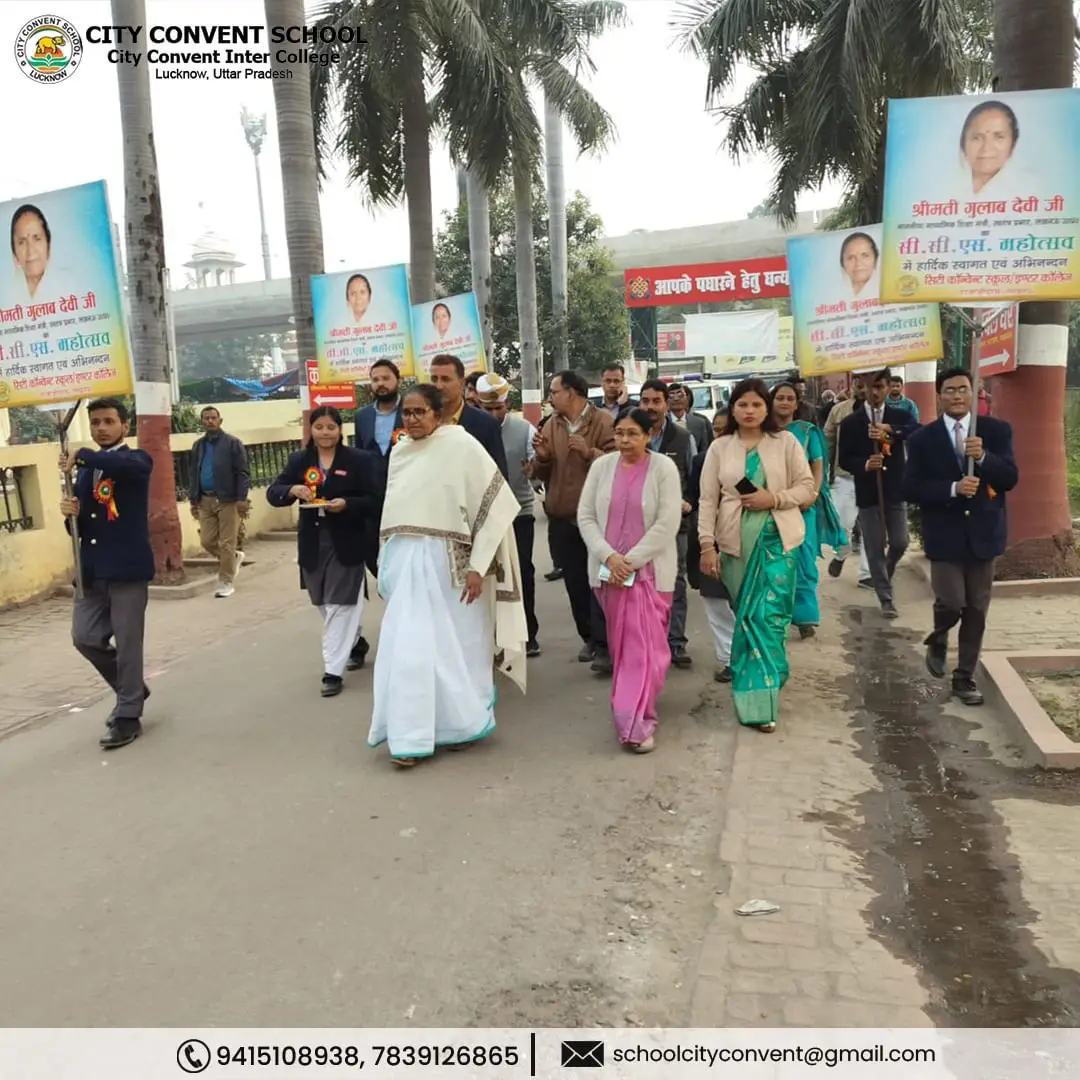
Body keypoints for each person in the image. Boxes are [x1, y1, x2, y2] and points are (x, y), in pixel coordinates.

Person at [369, 384, 527, 767]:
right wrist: (386, 563)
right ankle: (409, 736)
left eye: (420, 412)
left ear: (438, 414)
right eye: (407, 413)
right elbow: (393, 515)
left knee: (457, 648)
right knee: (407, 648)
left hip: (452, 567)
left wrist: (478, 567)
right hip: (407, 565)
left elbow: (495, 505)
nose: (412, 419)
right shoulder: (400, 452)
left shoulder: (462, 445)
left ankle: (460, 725)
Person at [697, 379, 814, 731]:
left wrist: (772, 499)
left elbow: (807, 488)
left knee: (768, 617)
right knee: (746, 618)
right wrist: (707, 546)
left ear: (767, 409)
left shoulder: (786, 442)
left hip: (778, 541)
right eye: (743, 404)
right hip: (735, 545)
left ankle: (764, 697)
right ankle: (758, 685)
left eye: (756, 405)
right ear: (733, 409)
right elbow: (708, 500)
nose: (749, 411)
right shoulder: (720, 448)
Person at [904, 367, 1018, 706]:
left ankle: (964, 676)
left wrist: (982, 457)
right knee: (952, 601)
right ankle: (940, 634)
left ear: (973, 393)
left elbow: (1010, 477)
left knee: (977, 610)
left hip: (984, 532)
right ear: (939, 396)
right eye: (950, 390)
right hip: (944, 535)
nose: (956, 396)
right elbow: (910, 488)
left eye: (963, 389)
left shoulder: (995, 431)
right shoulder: (922, 439)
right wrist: (952, 488)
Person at [578, 408, 682, 753]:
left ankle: (636, 717)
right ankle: (633, 714)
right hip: (609, 574)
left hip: (650, 574)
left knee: (648, 649)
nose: (624, 440)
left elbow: (667, 522)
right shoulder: (601, 467)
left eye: (633, 434)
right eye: (619, 433)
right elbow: (586, 516)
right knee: (627, 649)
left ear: (649, 436)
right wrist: (609, 556)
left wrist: (631, 561)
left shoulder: (663, 468)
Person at [266, 406, 382, 698]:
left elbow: (374, 500)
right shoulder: (299, 460)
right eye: (319, 427)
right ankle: (355, 642)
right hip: (313, 542)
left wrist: (347, 504)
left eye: (331, 427)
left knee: (340, 604)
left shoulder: (358, 460)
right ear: (312, 430)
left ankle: (332, 671)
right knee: (322, 600)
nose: (325, 433)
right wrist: (292, 490)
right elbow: (274, 493)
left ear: (340, 430)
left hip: (347, 541)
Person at [58, 398, 154, 750]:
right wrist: (71, 514)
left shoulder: (136, 461)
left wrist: (83, 454)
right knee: (84, 637)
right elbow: (85, 527)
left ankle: (128, 714)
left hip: (127, 570)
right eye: (95, 422)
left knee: (128, 645)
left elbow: (118, 465)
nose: (101, 428)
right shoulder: (86, 472)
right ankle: (133, 688)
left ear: (124, 426)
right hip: (92, 571)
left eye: (108, 421)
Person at [530, 369, 616, 672]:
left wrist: (590, 452)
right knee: (576, 583)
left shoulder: (603, 421)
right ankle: (590, 638)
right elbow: (542, 474)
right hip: (562, 516)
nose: (550, 397)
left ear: (572, 392)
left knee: (602, 582)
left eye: (554, 391)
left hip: (597, 519)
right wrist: (542, 458)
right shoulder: (551, 425)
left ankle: (607, 643)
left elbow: (618, 463)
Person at [838, 367, 919, 618]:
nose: (874, 392)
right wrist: (865, 464)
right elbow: (844, 458)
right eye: (870, 386)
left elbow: (917, 430)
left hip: (894, 488)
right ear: (862, 388)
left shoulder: (900, 414)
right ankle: (886, 598)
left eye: (879, 386)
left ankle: (885, 570)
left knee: (900, 542)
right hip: (868, 492)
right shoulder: (851, 422)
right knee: (874, 547)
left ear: (887, 387)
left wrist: (890, 429)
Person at [770, 382, 847, 637]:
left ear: (796, 404)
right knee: (776, 563)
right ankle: (778, 616)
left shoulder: (806, 431)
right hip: (772, 505)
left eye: (789, 398)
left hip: (803, 506)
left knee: (804, 562)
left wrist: (812, 494)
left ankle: (805, 617)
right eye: (780, 398)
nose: (784, 402)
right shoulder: (763, 432)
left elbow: (817, 465)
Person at [475, 372, 541, 657]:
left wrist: (533, 471)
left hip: (519, 512)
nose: (492, 414)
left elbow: (536, 468)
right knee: (486, 577)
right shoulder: (468, 431)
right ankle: (491, 636)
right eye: (487, 408)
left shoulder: (524, 429)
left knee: (521, 572)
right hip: (482, 517)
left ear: (507, 405)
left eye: (497, 408)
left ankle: (528, 634)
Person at [638, 378, 695, 668]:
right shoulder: (629, 434)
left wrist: (687, 502)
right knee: (640, 585)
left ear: (666, 404)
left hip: (674, 527)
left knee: (674, 583)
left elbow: (693, 479)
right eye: (645, 401)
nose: (650, 407)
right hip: (637, 528)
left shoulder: (683, 438)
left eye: (656, 401)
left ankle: (676, 642)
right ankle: (646, 643)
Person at [687, 430, 734, 684]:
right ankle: (729, 659)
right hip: (709, 539)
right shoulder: (702, 460)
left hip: (747, 539)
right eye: (718, 428)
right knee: (715, 600)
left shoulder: (753, 460)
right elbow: (697, 499)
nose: (722, 435)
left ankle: (753, 656)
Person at [188, 406, 250, 599]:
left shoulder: (233, 443)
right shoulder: (198, 446)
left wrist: (241, 498)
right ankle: (233, 558)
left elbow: (242, 472)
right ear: (202, 422)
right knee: (207, 541)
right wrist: (193, 499)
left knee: (227, 542)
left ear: (220, 421)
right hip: (205, 499)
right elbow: (193, 473)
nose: (210, 421)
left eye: (213, 418)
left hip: (227, 499)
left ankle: (226, 581)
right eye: (206, 418)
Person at [427, 353, 508, 477]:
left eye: (445, 379)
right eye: (434, 379)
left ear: (462, 383)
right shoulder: (423, 422)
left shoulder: (486, 424)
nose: (438, 386)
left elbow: (498, 477)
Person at [825, 375, 871, 587]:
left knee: (871, 527)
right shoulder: (839, 410)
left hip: (875, 478)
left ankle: (867, 573)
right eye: (858, 382)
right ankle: (841, 554)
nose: (862, 387)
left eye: (867, 383)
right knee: (844, 524)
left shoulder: (884, 413)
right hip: (845, 475)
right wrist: (824, 472)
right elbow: (828, 441)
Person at [959, 100, 1018, 196]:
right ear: (963, 143)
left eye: (999, 137)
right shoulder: (946, 187)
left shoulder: (1029, 187)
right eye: (977, 138)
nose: (986, 147)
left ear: (1013, 144)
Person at [10, 203, 53, 301]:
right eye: (22, 242)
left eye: (37, 238)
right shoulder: (6, 296)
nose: (30, 251)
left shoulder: (70, 285)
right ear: (14, 253)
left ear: (48, 244)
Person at [667, 382, 713, 452]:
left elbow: (704, 451)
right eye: (671, 396)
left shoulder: (699, 423)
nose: (676, 399)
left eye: (680, 395)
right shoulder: (662, 422)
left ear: (687, 398)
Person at [840, 231, 879, 298]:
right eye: (851, 258)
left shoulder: (889, 292)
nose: (858, 263)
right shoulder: (835, 296)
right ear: (842, 263)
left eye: (865, 256)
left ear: (875, 259)